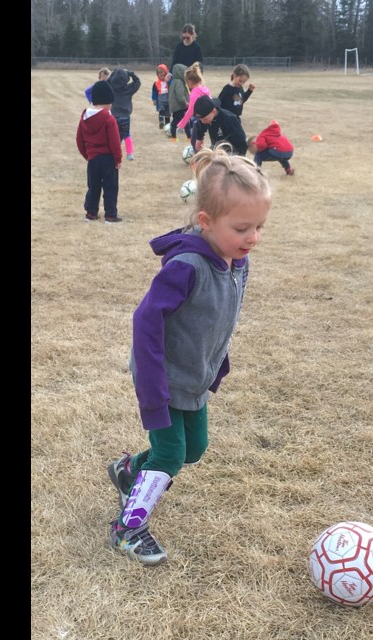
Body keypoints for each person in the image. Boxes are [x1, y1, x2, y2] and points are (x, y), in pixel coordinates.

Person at [106, 144, 272, 566]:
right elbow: (145, 321)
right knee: (169, 453)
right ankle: (128, 528)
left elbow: (219, 316)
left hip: (194, 376)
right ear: (206, 221)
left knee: (194, 448)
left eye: (259, 227)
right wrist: (153, 390)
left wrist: (218, 361)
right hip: (162, 378)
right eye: (241, 228)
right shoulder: (186, 266)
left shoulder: (236, 261)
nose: (252, 238)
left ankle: (129, 472)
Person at [76, 80, 123, 223]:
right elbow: (115, 142)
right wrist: (118, 159)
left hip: (92, 159)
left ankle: (91, 213)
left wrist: (88, 155)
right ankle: (110, 215)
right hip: (108, 159)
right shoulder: (109, 119)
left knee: (93, 186)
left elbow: (79, 140)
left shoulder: (84, 117)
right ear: (108, 101)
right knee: (110, 187)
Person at [107, 68, 142, 161]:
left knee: (115, 135)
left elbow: (106, 83)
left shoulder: (110, 88)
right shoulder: (128, 89)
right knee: (127, 135)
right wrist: (131, 73)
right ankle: (130, 154)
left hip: (113, 116)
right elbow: (137, 82)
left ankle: (114, 152)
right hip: (125, 116)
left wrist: (113, 74)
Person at [177, 63, 212, 146]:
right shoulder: (205, 89)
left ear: (189, 82)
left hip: (200, 120)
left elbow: (190, 111)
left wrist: (181, 125)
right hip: (210, 119)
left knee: (194, 142)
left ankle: (198, 157)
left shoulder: (194, 93)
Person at [166, 63, 190, 142]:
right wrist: (185, 103)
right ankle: (176, 138)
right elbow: (180, 95)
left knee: (182, 121)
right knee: (180, 122)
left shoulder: (174, 81)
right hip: (180, 107)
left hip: (177, 107)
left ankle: (184, 137)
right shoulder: (179, 82)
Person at [151, 64, 171, 131]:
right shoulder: (156, 83)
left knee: (168, 114)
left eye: (162, 72)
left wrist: (168, 80)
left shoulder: (169, 81)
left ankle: (168, 125)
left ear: (166, 72)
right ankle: (161, 122)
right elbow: (154, 92)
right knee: (161, 112)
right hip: (160, 101)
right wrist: (154, 99)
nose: (161, 74)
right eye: (159, 73)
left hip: (168, 101)